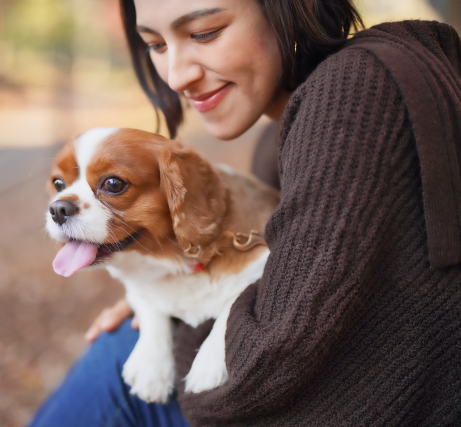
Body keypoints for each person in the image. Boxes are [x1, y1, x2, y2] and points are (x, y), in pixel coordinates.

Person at [29, 0, 461, 425]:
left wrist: (172, 328)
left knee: (116, 355)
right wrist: (154, 297)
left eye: (204, 33)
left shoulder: (350, 95)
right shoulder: (276, 140)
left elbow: (268, 362)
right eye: (156, 45)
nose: (177, 75)